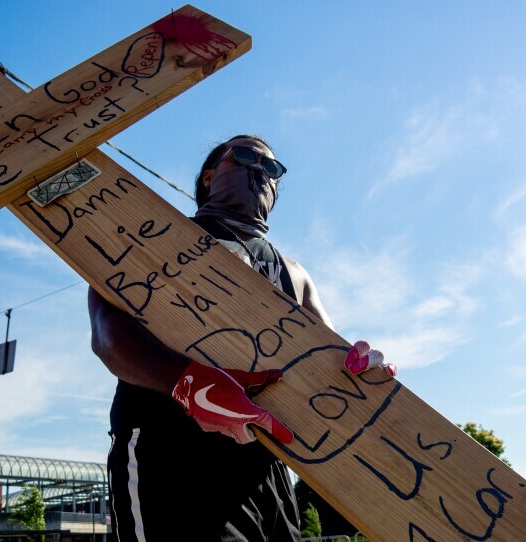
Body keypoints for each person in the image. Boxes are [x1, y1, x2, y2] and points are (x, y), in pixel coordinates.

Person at [88, 135, 395, 541]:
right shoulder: (153, 237)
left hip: (266, 459)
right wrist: (188, 385)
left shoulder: (295, 274)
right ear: (209, 176)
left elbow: (328, 362)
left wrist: (361, 366)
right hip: (171, 450)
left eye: (272, 168)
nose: (260, 171)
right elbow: (107, 335)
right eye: (246, 156)